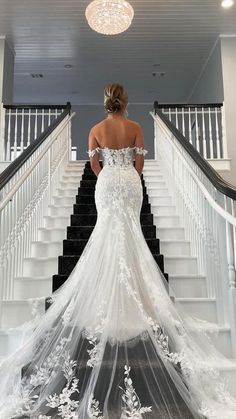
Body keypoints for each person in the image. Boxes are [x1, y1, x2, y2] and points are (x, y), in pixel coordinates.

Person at [0, 83, 236, 418]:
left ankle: (106, 301)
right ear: (124, 102)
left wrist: (107, 175)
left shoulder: (96, 129)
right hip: (127, 182)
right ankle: (137, 303)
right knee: (131, 234)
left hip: (107, 182)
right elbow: (139, 162)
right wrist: (130, 175)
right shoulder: (136, 127)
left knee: (106, 232)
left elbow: (93, 165)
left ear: (106, 102)